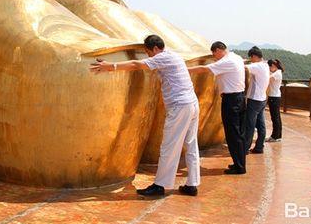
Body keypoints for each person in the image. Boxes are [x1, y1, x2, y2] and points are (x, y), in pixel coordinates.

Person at [89, 35, 200, 197]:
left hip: (180, 106)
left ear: (155, 48)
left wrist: (110, 66)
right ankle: (192, 184)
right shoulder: (174, 55)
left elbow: (136, 64)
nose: (149, 56)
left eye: (148, 52)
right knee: (191, 144)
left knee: (169, 146)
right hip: (191, 103)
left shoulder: (162, 57)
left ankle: (160, 185)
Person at [188, 41, 247, 175]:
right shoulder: (236, 57)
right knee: (238, 134)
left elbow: (205, 69)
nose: (214, 57)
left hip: (232, 100)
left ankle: (239, 167)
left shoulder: (227, 61)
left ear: (219, 50)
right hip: (239, 98)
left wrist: (184, 69)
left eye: (214, 53)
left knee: (232, 134)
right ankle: (239, 163)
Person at [244, 46, 270, 154]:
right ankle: (259, 147)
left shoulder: (258, 66)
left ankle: (244, 148)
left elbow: (243, 67)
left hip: (254, 99)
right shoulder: (265, 65)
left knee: (250, 125)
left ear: (254, 56)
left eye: (251, 58)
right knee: (261, 125)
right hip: (262, 99)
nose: (251, 60)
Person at [266, 59, 284, 142]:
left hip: (274, 97)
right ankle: (278, 135)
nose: (269, 68)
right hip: (275, 96)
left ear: (273, 66)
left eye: (270, 67)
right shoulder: (277, 73)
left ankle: (275, 136)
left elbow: (267, 79)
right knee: (276, 117)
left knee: (275, 117)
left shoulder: (277, 74)